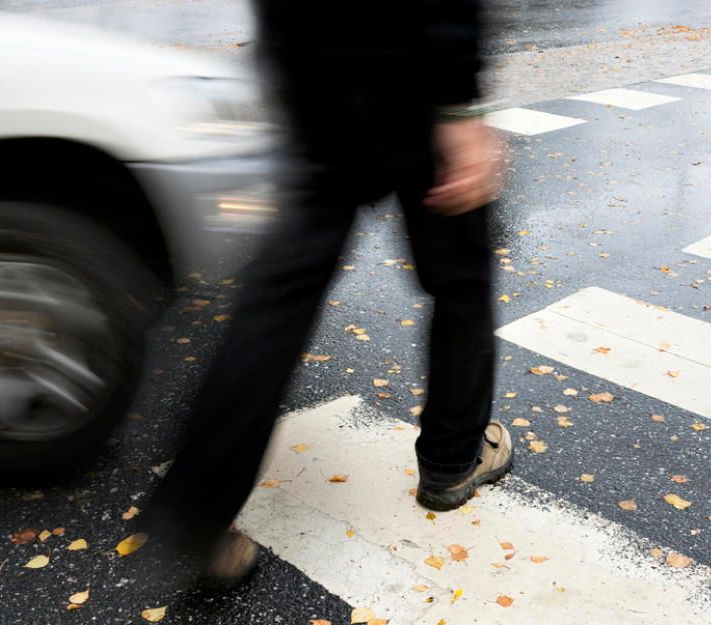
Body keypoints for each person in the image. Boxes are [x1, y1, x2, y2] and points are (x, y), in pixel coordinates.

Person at [142, 0, 511, 586]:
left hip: (307, 57)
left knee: (281, 290)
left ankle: (198, 505)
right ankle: (451, 460)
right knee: (460, 274)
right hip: (406, 58)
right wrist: (457, 100)